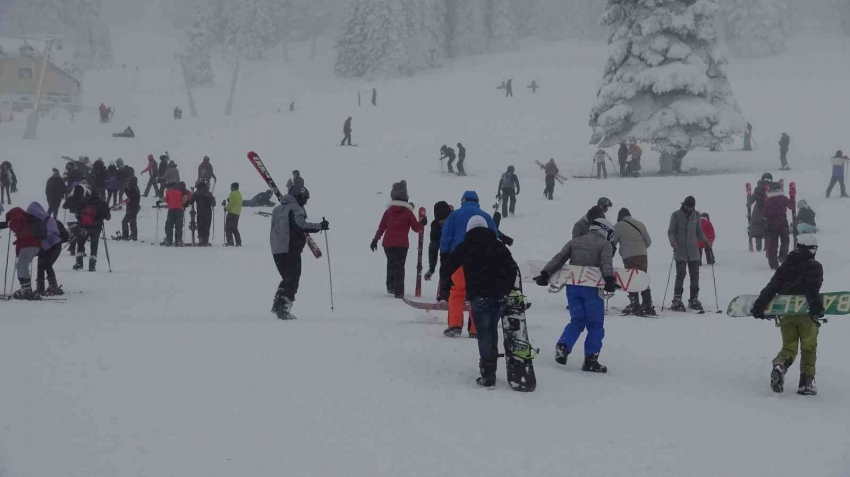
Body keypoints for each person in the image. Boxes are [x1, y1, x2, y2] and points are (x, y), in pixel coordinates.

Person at [440, 216, 518, 387]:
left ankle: (487, 374)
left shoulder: (465, 246)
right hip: (498, 296)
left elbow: (447, 267)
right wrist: (507, 288)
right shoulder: (498, 245)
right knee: (492, 331)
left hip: (478, 296)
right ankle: (493, 370)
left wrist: (446, 285)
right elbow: (513, 268)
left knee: (483, 333)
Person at [534, 218, 618, 372]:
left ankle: (563, 346)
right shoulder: (604, 244)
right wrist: (610, 280)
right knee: (595, 325)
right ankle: (590, 361)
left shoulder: (575, 241)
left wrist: (545, 274)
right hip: (591, 288)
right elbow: (607, 263)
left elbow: (559, 258)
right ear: (605, 230)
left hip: (572, 287)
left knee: (577, 320)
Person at [750, 234, 823, 396]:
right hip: (805, 314)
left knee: (789, 346)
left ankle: (780, 366)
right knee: (809, 348)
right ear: (812, 249)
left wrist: (759, 306)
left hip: (786, 314)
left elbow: (772, 286)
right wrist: (817, 309)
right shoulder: (814, 266)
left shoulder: (786, 265)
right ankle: (806, 383)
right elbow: (812, 289)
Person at [439, 191, 499, 337]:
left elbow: (445, 237)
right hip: (480, 261)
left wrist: (444, 255)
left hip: (458, 258)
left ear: (463, 201)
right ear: (477, 201)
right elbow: (495, 236)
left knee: (457, 292)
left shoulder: (454, 215)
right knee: (477, 294)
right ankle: (475, 329)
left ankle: (454, 325)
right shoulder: (485, 216)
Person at [270, 186, 328, 320]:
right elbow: (301, 225)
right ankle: (283, 309)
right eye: (304, 199)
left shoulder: (277, 209)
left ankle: (278, 304)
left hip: (277, 249)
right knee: (293, 279)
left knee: (287, 278)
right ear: (299, 197)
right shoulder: (296, 208)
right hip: (291, 248)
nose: (305, 202)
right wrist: (320, 226)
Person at [370, 181, 427, 298]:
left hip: (388, 244)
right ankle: (399, 291)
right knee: (400, 267)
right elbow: (416, 229)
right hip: (402, 245)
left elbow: (382, 227)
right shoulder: (407, 213)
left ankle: (390, 287)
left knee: (390, 264)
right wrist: (422, 223)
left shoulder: (388, 212)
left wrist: (375, 240)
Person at [667, 196, 707, 311]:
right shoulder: (675, 215)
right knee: (681, 274)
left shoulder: (697, 215)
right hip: (680, 250)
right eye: (687, 207)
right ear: (683, 205)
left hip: (693, 250)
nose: (689, 209)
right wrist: (673, 241)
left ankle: (694, 298)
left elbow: (699, 231)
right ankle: (677, 298)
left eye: (691, 207)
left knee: (695, 275)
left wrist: (706, 241)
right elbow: (670, 231)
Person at [612, 208, 654, 316]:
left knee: (632, 279)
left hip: (629, 256)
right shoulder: (640, 224)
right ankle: (647, 305)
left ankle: (634, 305)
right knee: (642, 278)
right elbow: (648, 242)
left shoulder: (618, 226)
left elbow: (612, 242)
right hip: (642, 255)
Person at [0, 206, 46, 299]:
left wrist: (9, 223)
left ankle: (26, 289)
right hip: (32, 244)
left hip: (29, 244)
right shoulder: (24, 216)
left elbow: (15, 224)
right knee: (21, 265)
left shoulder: (14, 212)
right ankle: (26, 288)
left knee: (22, 266)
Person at [27, 202, 65, 296]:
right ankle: (40, 288)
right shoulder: (36, 222)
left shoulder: (49, 220)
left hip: (54, 246)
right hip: (44, 247)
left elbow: (46, 233)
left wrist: (35, 235)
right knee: (41, 265)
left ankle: (53, 286)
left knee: (46, 264)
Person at [70, 188, 111, 271]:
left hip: (84, 227)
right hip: (96, 228)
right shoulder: (103, 204)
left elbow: (77, 214)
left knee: (80, 244)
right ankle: (92, 265)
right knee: (94, 246)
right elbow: (108, 217)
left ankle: (79, 263)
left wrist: (81, 221)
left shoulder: (84, 202)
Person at [763, 181, 791, 270]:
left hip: (771, 226)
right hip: (783, 224)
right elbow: (791, 206)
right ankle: (783, 257)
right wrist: (792, 195)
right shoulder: (783, 198)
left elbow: (764, 213)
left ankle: (773, 265)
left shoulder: (767, 200)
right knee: (785, 242)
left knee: (772, 246)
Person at [424, 201, 452, 285]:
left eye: (444, 220)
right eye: (440, 220)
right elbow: (433, 247)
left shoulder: (454, 222)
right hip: (444, 255)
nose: (442, 223)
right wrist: (431, 268)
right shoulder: (435, 225)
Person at [161, 182, 191, 247]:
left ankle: (169, 240)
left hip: (171, 209)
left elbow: (166, 200)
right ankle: (178, 241)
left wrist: (171, 201)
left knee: (170, 225)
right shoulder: (184, 191)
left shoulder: (170, 190)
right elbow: (187, 200)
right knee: (179, 226)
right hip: (180, 210)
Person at [748, 173, 771, 252]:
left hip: (758, 211)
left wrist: (748, 203)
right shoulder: (773, 187)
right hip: (769, 211)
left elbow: (752, 199)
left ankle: (759, 247)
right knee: (768, 229)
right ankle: (766, 247)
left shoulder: (758, 188)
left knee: (758, 231)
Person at [191, 180, 216, 246]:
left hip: (200, 212)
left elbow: (191, 201)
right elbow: (214, 203)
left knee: (200, 226)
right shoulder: (209, 193)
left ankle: (201, 240)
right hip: (208, 213)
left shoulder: (197, 193)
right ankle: (206, 240)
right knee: (207, 226)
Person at [121, 177, 141, 241]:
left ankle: (132, 236)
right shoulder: (134, 188)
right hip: (132, 207)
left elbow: (131, 195)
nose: (129, 183)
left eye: (130, 181)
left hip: (133, 208)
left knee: (130, 222)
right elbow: (131, 197)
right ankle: (129, 235)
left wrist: (125, 189)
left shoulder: (135, 189)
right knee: (128, 221)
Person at [224, 182, 243, 246]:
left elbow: (231, 204)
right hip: (237, 213)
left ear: (233, 187)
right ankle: (238, 242)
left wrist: (226, 208)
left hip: (231, 213)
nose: (230, 188)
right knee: (234, 228)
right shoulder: (239, 194)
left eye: (231, 187)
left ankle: (230, 242)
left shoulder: (232, 193)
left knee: (228, 228)